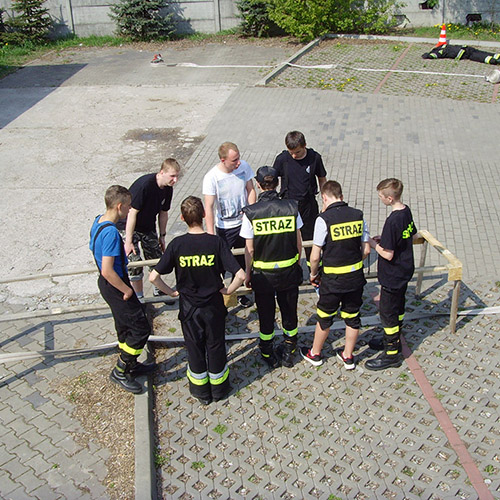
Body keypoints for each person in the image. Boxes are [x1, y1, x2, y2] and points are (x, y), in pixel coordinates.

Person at [149, 196, 245, 405]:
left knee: (194, 347)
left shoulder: (177, 245)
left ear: (182, 218)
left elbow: (153, 277)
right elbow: (241, 275)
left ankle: (201, 393)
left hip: (189, 308)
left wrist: (171, 293)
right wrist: (228, 289)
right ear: (203, 215)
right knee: (216, 345)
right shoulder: (216, 242)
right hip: (213, 306)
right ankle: (219, 390)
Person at [89, 185, 157, 394]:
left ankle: (131, 365)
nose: (129, 211)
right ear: (119, 206)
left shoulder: (98, 222)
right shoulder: (110, 233)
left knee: (124, 326)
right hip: (116, 285)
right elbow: (107, 270)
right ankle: (121, 369)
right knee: (140, 328)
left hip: (110, 286)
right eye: (128, 208)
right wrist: (126, 291)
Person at [300, 181, 370, 369]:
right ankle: (348, 356)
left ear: (324, 197)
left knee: (324, 317)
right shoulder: (358, 215)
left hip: (332, 281)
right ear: (341, 195)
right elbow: (366, 250)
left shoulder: (323, 219)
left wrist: (313, 274)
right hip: (355, 279)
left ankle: (315, 353)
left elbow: (314, 256)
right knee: (352, 316)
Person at [240, 166, 304, 368]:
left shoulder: (251, 213)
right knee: (289, 312)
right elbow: (299, 243)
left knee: (266, 314)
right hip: (289, 272)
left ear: (258, 186)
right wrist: (296, 263)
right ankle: (289, 350)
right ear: (277, 183)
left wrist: (248, 274)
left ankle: (267, 352)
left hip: (263, 276)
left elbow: (249, 249)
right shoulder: (291, 207)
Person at [365, 178, 418, 371]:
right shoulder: (406, 212)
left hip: (392, 274)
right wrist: (385, 240)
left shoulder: (392, 221)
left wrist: (373, 243)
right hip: (404, 270)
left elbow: (387, 253)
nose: (379, 199)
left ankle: (391, 353)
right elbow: (411, 234)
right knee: (399, 307)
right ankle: (392, 338)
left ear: (389, 198)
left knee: (387, 313)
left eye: (380, 196)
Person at [202, 142, 256, 308]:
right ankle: (219, 296)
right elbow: (209, 207)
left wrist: (250, 215)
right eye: (234, 160)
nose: (238, 163)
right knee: (220, 264)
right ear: (223, 160)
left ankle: (240, 293)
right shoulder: (212, 177)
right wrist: (211, 235)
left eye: (238, 158)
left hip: (242, 224)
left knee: (242, 260)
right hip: (224, 228)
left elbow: (251, 190)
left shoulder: (244, 167)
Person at [119, 158, 180, 299]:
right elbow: (132, 213)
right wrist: (128, 241)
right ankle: (139, 296)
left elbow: (163, 213)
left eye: (177, 176)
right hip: (129, 226)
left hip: (148, 226)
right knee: (135, 261)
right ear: (162, 172)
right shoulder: (145, 185)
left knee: (156, 257)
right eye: (172, 176)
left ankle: (158, 289)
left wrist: (162, 236)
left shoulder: (167, 189)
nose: (175, 180)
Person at [272, 130, 327, 268]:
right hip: (288, 207)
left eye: (297, 152)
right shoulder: (282, 159)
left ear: (305, 146)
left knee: (311, 240)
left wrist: (326, 202)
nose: (294, 156)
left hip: (308, 205)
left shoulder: (314, 158)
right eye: (291, 152)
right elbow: (271, 179)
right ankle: (292, 269)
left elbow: (322, 179)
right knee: (289, 241)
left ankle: (314, 270)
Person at [422, 43, 500, 64]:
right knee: (480, 52)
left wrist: (426, 55)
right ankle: (496, 56)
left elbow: (433, 56)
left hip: (463, 53)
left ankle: (494, 61)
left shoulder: (438, 52)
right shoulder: (443, 46)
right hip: (465, 47)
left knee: (479, 57)